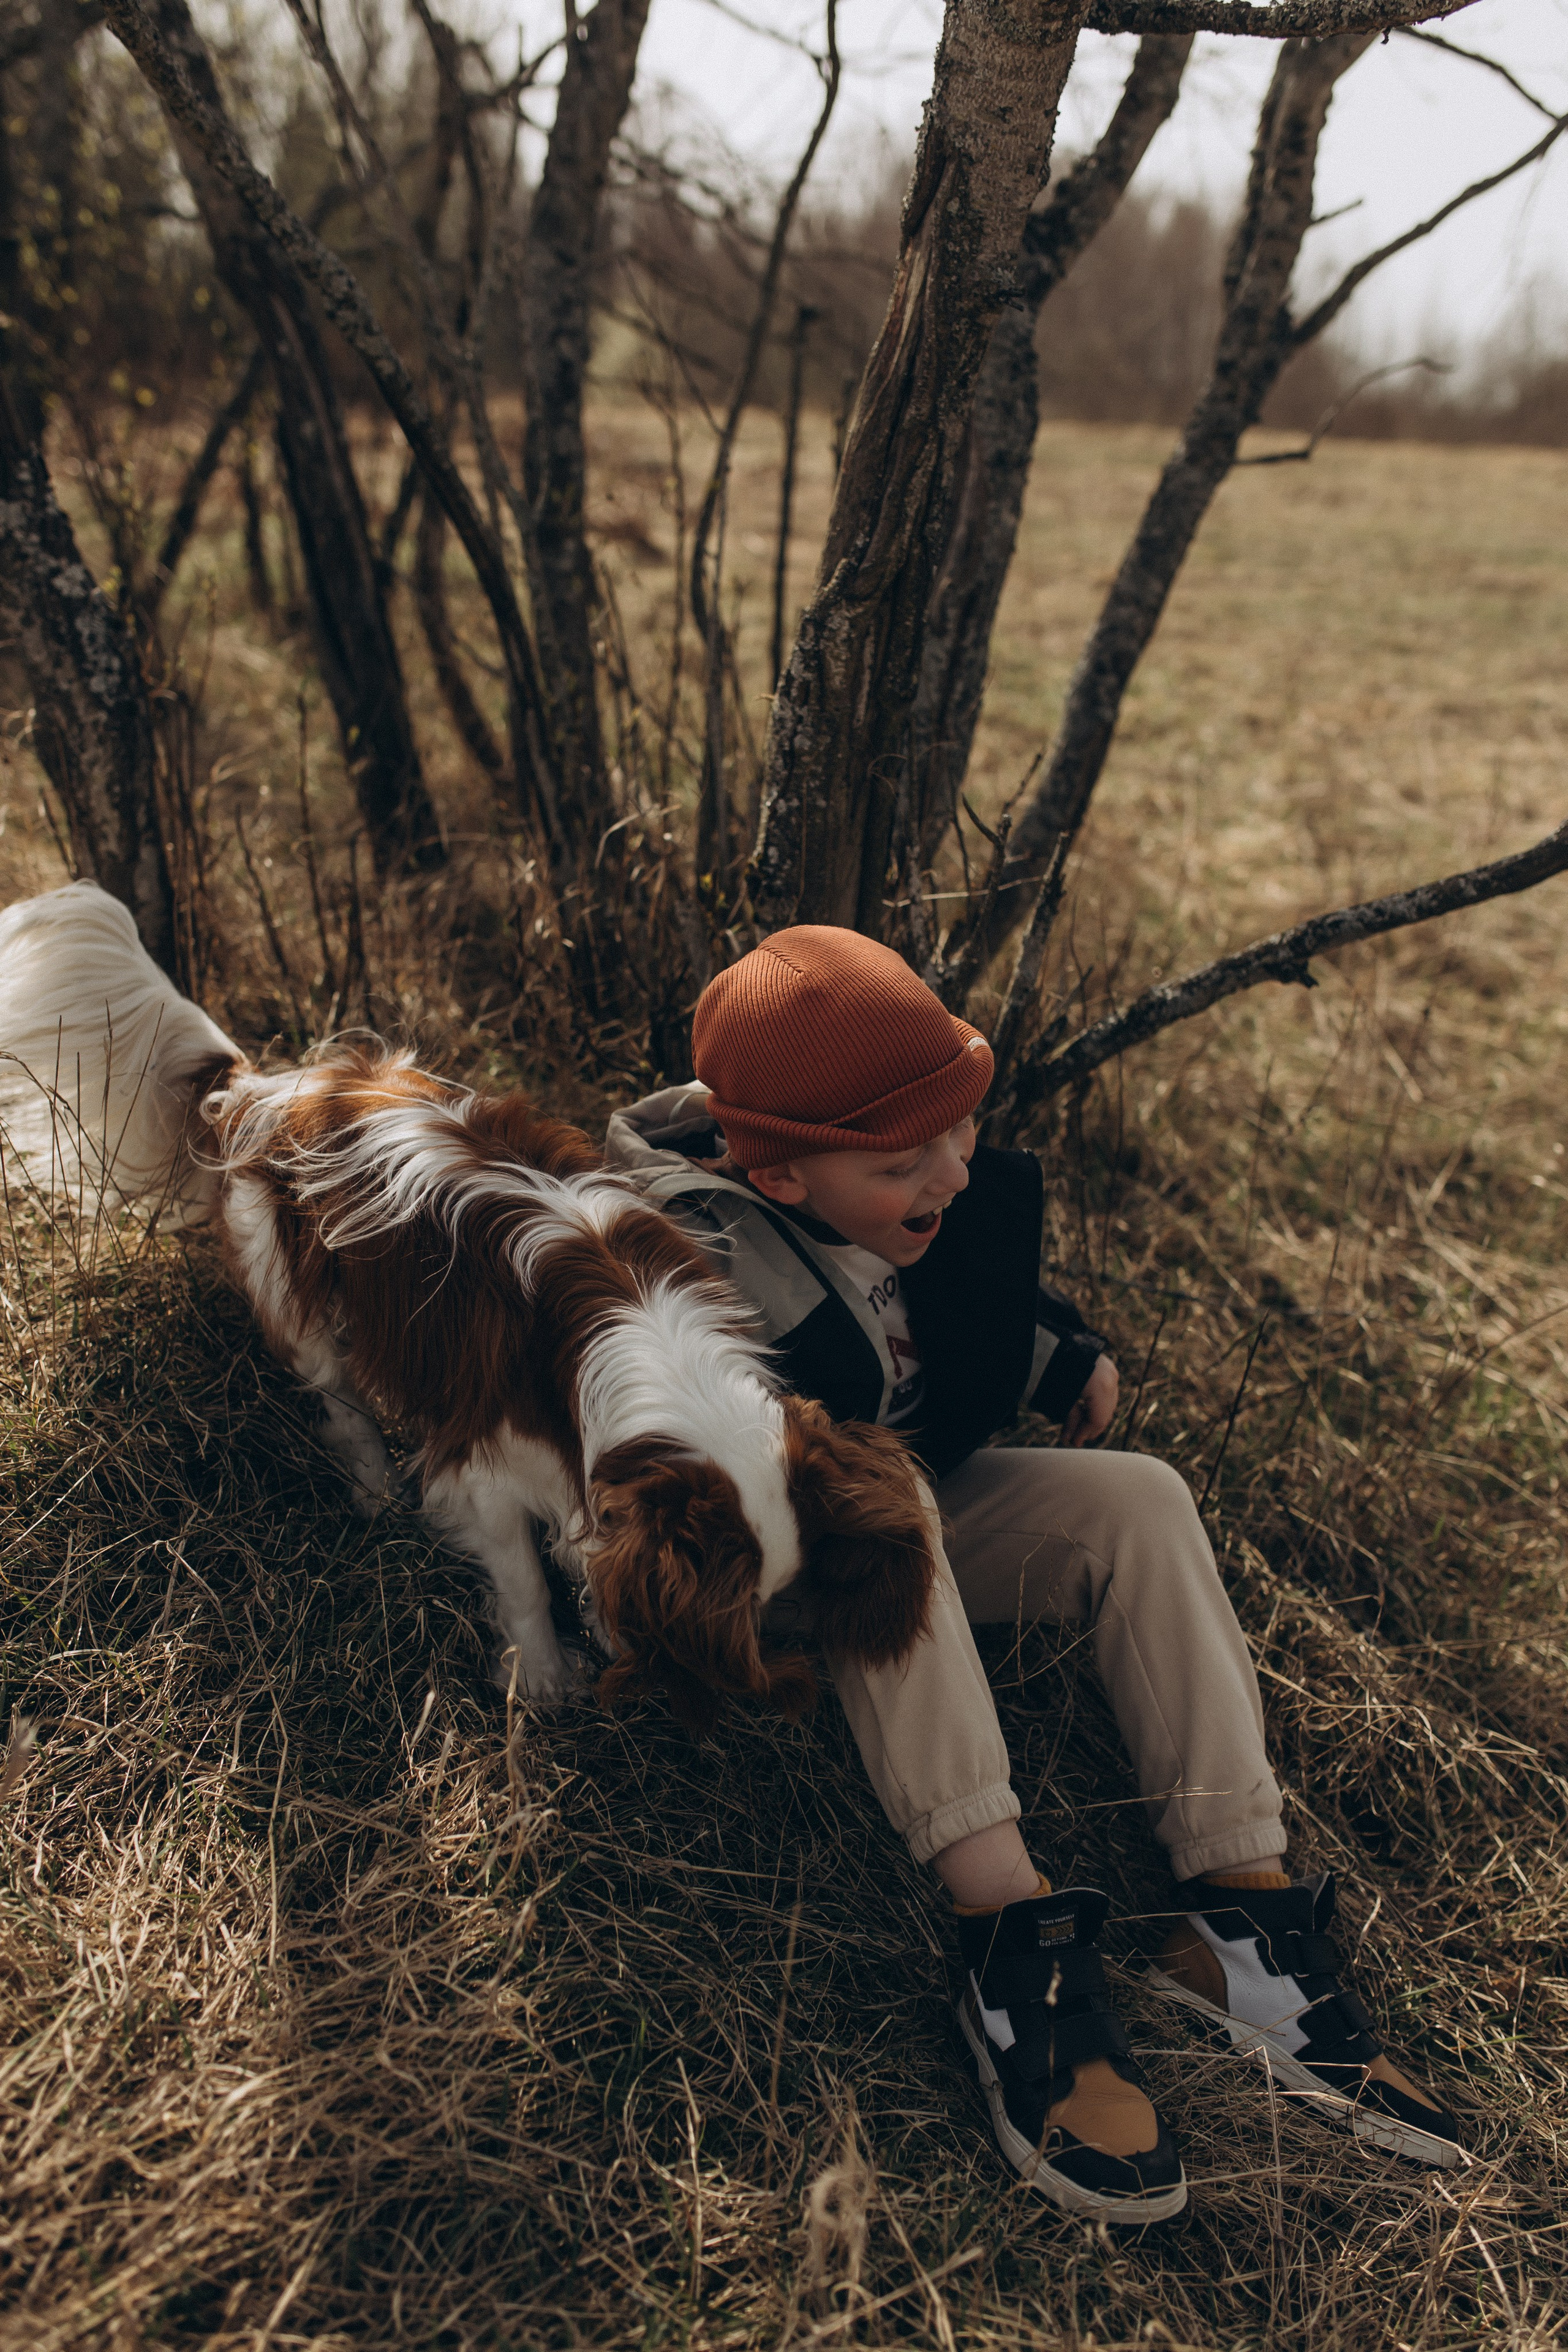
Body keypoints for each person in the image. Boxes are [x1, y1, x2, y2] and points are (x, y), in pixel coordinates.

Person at [604, 925, 1463, 2222]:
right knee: (891, 1509)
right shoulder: (685, 1255)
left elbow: (960, 1305)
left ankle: (1237, 1907)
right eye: (904, 1161)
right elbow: (677, 1463)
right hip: (784, 1559)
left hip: (920, 1505)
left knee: (1138, 1502)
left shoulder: (902, 1194)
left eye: (958, 1133)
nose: (948, 1171)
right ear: (772, 1169)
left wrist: (1055, 1356)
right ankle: (1008, 1940)